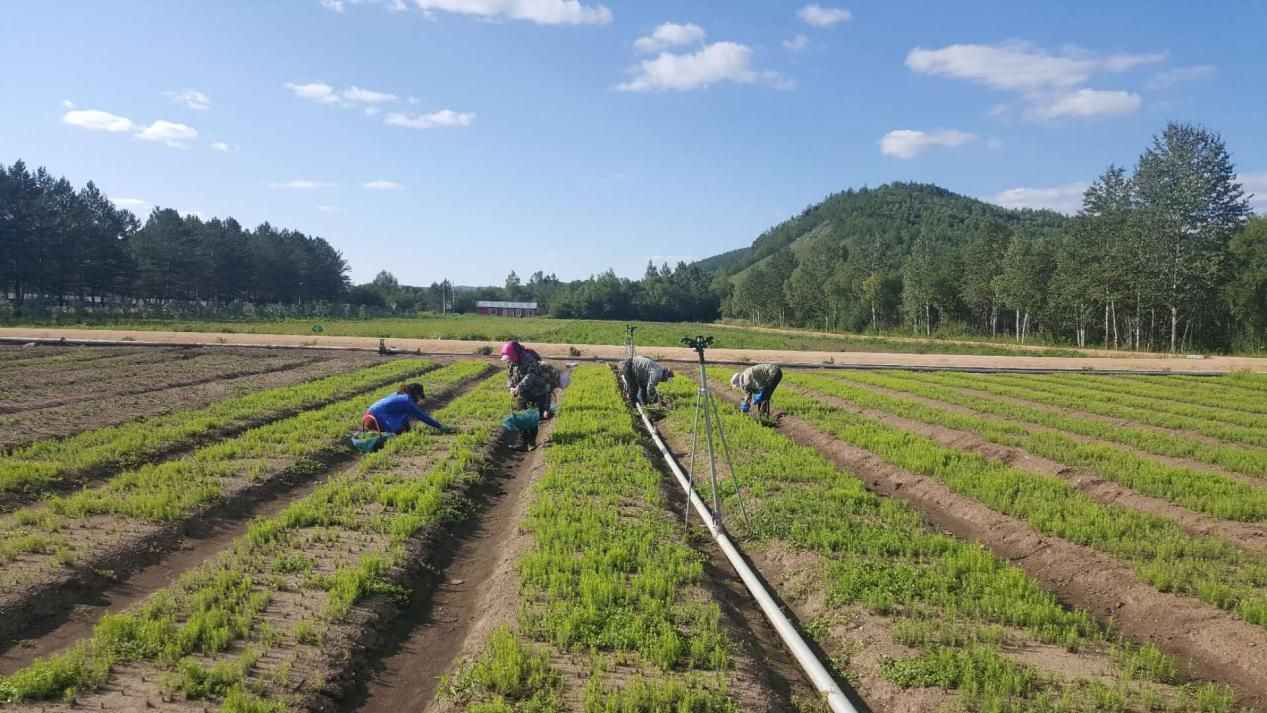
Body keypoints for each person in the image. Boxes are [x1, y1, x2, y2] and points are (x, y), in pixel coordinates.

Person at [501, 340, 558, 449]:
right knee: (521, 416)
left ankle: (532, 442)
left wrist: (519, 387)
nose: (510, 360)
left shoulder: (529, 360)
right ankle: (522, 443)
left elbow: (531, 376)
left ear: (516, 353)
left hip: (536, 393)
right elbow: (509, 377)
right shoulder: (510, 362)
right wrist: (511, 387)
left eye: (511, 357)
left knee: (532, 418)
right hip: (522, 393)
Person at [363, 383, 449, 435]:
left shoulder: (398, 394)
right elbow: (421, 416)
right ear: (416, 394)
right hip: (375, 420)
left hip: (367, 416)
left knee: (405, 426)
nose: (419, 399)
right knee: (401, 431)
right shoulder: (407, 401)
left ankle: (373, 431)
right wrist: (439, 426)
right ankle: (379, 433)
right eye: (420, 396)